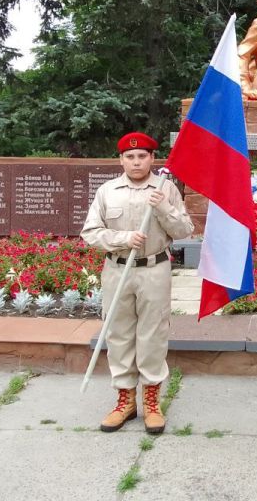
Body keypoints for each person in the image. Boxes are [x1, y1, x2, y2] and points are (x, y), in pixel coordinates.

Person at [81, 132, 194, 434]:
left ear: (152, 158)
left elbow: (185, 230)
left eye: (142, 156)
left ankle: (152, 402)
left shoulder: (166, 188)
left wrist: (164, 208)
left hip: (154, 269)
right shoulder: (107, 191)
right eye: (129, 157)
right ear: (121, 160)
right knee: (118, 333)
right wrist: (124, 238)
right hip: (117, 269)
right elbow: (90, 233)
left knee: (152, 335)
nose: (136, 162)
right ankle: (125, 401)